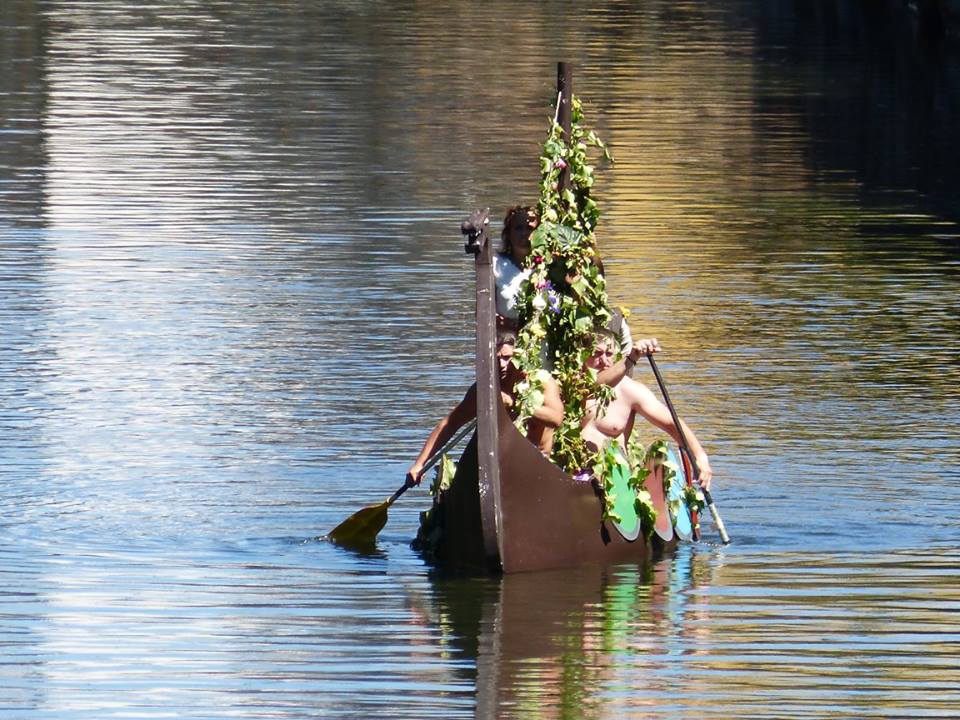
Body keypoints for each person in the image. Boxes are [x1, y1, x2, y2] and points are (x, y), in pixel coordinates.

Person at [406, 332, 563, 487]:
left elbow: (556, 419)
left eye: (507, 358)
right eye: (497, 359)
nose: (502, 364)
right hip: (501, 470)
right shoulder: (485, 390)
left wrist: (515, 404)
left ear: (518, 357)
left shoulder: (542, 383)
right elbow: (450, 423)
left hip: (538, 467)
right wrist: (419, 464)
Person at [582, 329, 713, 490]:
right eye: (596, 354)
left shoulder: (629, 390)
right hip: (572, 479)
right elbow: (593, 386)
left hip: (614, 488)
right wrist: (631, 358)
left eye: (609, 354)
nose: (604, 361)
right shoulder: (570, 387)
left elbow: (672, 424)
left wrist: (699, 456)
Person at [493, 205, 538, 328]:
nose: (524, 233)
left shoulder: (550, 266)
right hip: (507, 337)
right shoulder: (495, 265)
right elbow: (483, 311)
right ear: (508, 234)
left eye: (529, 228)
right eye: (518, 228)